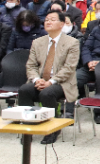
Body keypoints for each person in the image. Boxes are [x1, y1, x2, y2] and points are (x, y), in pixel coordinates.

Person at [18, 10, 79, 144]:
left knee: (47, 93)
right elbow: (31, 65)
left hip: (61, 82)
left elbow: (69, 68)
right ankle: (29, 126)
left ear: (62, 24)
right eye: (46, 20)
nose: (48, 22)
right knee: (24, 90)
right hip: (40, 80)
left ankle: (53, 128)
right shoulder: (37, 42)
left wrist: (51, 82)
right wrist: (36, 79)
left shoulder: (72, 43)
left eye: (52, 19)